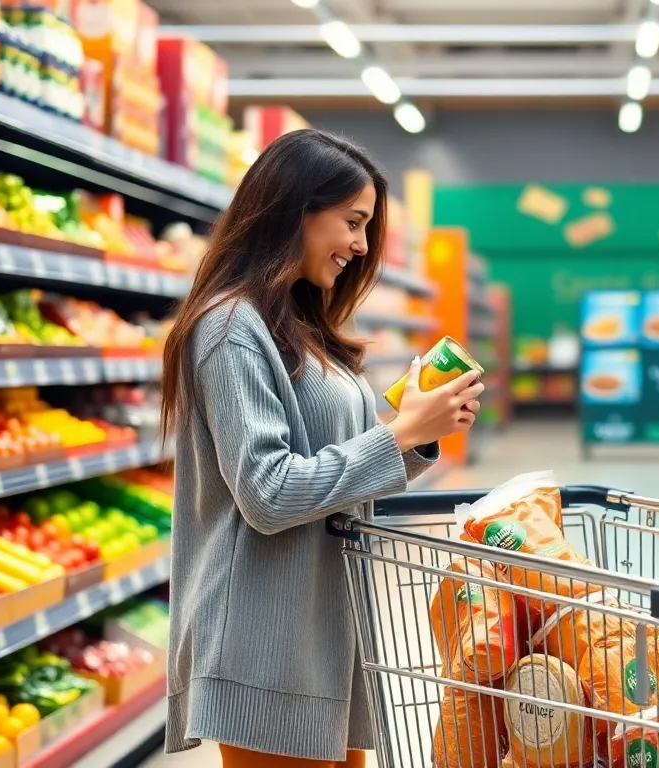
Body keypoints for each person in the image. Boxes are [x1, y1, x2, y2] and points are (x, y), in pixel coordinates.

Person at [159, 129, 484, 767]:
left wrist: (416, 429)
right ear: (294, 212)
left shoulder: (302, 326)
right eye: (352, 222)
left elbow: (335, 461)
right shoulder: (231, 328)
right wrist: (400, 435)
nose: (361, 246)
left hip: (324, 633)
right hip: (265, 643)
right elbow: (268, 492)